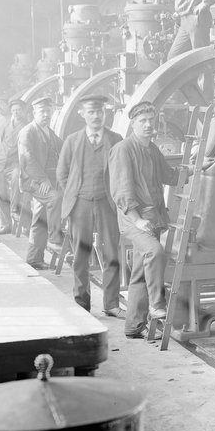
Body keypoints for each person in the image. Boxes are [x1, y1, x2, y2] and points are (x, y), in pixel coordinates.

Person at [110, 101, 179, 338]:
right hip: (135, 220)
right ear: (133, 123)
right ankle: (157, 305)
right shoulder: (123, 149)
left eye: (151, 120)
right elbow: (121, 191)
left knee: (140, 273)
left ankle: (134, 326)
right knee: (155, 253)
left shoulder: (152, 149)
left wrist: (198, 167)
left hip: (152, 219)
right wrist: (136, 219)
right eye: (143, 121)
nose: (148, 125)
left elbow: (170, 176)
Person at [56, 95, 124, 315]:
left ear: (105, 113)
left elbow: (122, 172)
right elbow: (62, 174)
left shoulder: (116, 139)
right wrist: (76, 194)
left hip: (107, 204)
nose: (96, 116)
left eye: (100, 111)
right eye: (91, 112)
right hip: (80, 205)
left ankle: (111, 304)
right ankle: (81, 303)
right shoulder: (72, 141)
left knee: (111, 254)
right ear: (82, 113)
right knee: (80, 255)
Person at [18, 95, 63, 270]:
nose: (46, 115)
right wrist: (43, 180)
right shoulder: (28, 132)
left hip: (49, 179)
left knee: (40, 218)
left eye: (48, 111)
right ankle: (54, 239)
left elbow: (64, 148)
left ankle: (34, 259)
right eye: (42, 111)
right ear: (34, 113)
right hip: (34, 180)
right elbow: (28, 159)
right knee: (55, 198)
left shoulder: (49, 132)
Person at [0, 98, 29, 234]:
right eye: (13, 110)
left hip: (17, 162)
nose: (16, 112)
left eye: (18, 110)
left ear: (24, 111)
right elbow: (1, 144)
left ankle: (15, 210)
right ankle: (6, 224)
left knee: (16, 179)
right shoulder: (7, 126)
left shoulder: (27, 127)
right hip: (2, 162)